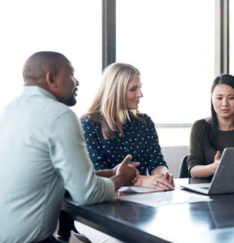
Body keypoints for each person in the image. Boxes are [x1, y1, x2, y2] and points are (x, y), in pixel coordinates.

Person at [0, 51, 138, 243]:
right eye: (71, 75)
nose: (77, 82)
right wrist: (122, 178)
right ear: (52, 79)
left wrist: (111, 172)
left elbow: (53, 175)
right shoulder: (59, 115)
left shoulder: (10, 111)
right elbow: (87, 193)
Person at [80, 63, 174, 190]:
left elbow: (156, 161)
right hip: (108, 197)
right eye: (133, 89)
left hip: (143, 198)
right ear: (115, 91)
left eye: (140, 88)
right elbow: (98, 172)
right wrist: (140, 181)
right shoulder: (89, 124)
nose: (140, 94)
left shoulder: (144, 122)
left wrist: (162, 175)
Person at [187, 74, 234, 178]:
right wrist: (214, 167)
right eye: (219, 98)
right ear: (211, 99)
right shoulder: (200, 127)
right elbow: (193, 170)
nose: (225, 103)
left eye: (231, 98)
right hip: (206, 189)